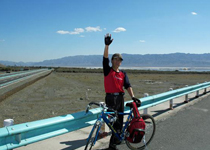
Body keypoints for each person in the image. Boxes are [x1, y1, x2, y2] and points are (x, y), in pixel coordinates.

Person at [103, 33, 140, 150]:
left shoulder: (123, 73)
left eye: (120, 60)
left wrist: (133, 97)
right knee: (114, 123)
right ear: (113, 60)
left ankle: (114, 143)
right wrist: (107, 46)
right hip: (110, 99)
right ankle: (112, 144)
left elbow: (128, 86)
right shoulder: (108, 70)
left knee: (119, 121)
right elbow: (104, 59)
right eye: (116, 59)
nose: (118, 61)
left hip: (120, 98)